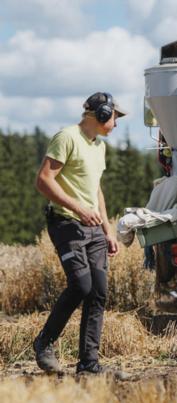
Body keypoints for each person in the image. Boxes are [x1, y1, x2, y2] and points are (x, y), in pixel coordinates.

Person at [34, 92, 127, 377]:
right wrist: (78, 208)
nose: (116, 123)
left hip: (93, 229)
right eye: (114, 117)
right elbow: (44, 180)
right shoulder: (67, 137)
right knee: (81, 285)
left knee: (98, 291)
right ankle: (44, 343)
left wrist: (107, 229)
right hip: (66, 223)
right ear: (101, 114)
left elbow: (95, 189)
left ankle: (88, 365)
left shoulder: (99, 147)